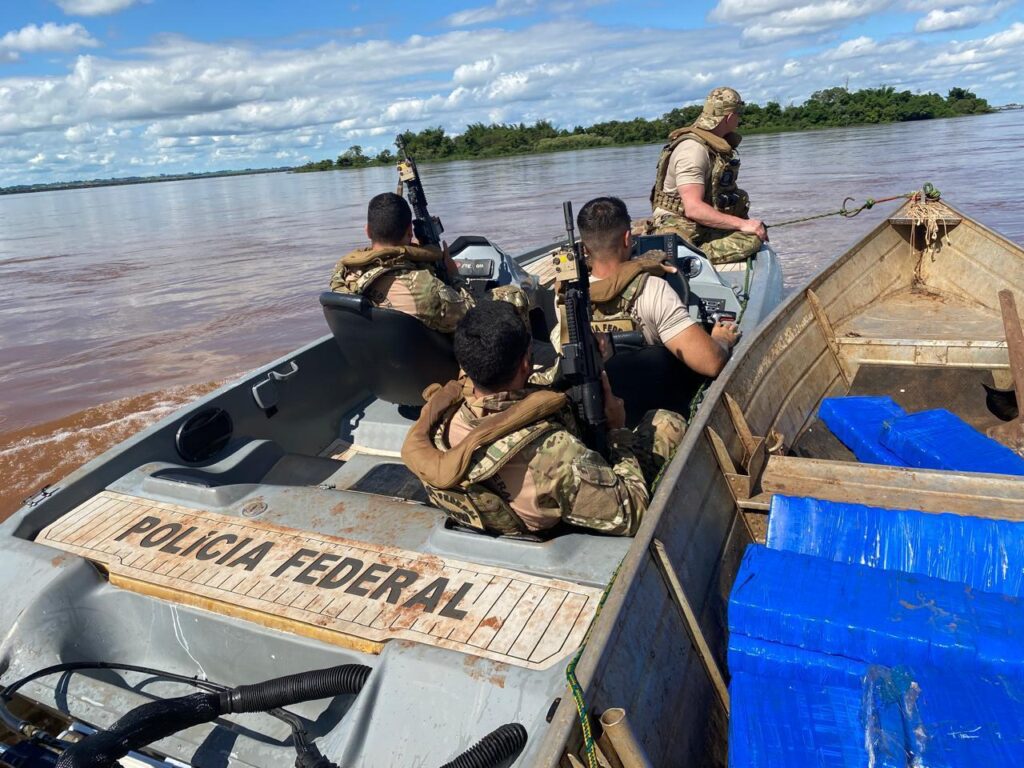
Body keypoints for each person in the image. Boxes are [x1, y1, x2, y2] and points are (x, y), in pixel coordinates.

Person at [401, 301, 686, 537]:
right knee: (666, 422)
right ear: (527, 361)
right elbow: (634, 512)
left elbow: (527, 392)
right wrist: (617, 430)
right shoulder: (555, 453)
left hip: (508, 514)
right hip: (566, 525)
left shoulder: (442, 418)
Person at [577, 196, 740, 377]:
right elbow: (712, 363)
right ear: (627, 239)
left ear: (584, 248)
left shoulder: (568, 298)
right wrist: (722, 339)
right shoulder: (653, 289)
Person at [649, 86, 767, 264]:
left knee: (752, 229)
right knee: (752, 239)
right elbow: (693, 208)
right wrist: (743, 225)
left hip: (696, 223)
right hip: (681, 227)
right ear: (729, 117)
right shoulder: (693, 150)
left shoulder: (710, 145)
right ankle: (685, 256)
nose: (739, 119)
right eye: (738, 114)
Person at [329, 192, 472, 334]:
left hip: (368, 353)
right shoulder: (427, 288)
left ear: (367, 231)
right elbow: (473, 316)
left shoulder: (344, 274)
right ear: (410, 232)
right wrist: (455, 276)